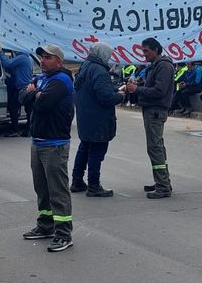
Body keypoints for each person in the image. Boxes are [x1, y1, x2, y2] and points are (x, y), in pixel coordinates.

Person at [19, 44, 75, 252]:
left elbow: (43, 105)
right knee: (42, 188)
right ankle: (45, 226)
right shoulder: (42, 78)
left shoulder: (61, 80)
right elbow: (22, 97)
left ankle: (64, 234)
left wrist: (34, 94)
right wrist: (35, 94)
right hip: (38, 141)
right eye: (41, 57)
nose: (42, 60)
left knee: (57, 190)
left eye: (48, 57)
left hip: (55, 144)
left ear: (59, 61)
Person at [72, 42, 124, 198]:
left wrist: (115, 89)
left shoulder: (85, 66)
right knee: (96, 151)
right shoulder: (100, 70)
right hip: (98, 119)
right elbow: (105, 97)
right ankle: (94, 185)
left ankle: (77, 181)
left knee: (84, 148)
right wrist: (120, 96)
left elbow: (93, 88)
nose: (109, 58)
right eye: (108, 55)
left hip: (85, 117)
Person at [126, 37, 175, 199]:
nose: (144, 54)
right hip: (152, 110)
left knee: (155, 148)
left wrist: (137, 89)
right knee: (157, 147)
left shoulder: (164, 66)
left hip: (155, 111)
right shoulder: (156, 66)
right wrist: (140, 85)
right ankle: (163, 181)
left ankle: (163, 187)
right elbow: (153, 86)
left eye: (146, 51)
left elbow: (159, 91)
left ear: (156, 50)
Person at [0, 48, 34, 137]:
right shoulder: (29, 58)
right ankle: (28, 130)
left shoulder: (21, 58)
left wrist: (1, 52)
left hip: (21, 88)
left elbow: (8, 64)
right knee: (28, 110)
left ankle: (15, 130)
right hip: (26, 87)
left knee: (13, 109)